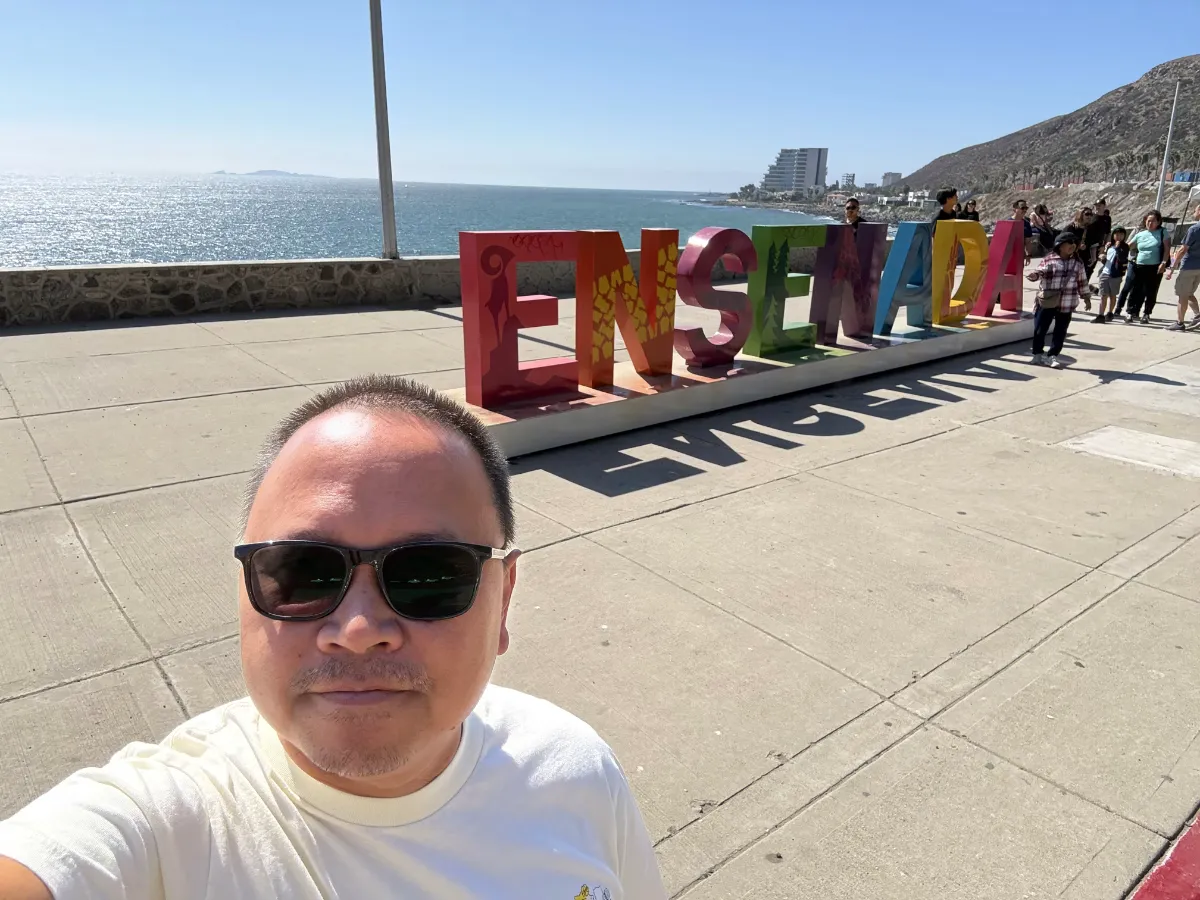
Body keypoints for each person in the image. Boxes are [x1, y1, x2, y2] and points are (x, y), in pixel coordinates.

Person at [0, 376, 668, 900]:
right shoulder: (168, 827)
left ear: (504, 601)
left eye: (430, 575)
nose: (357, 631)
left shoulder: (575, 769)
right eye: (301, 573)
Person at [1027, 231, 1089, 368]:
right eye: (1069, 243)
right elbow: (1040, 272)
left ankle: (1052, 356)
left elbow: (1082, 282)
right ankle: (1037, 354)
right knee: (1039, 329)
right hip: (1048, 301)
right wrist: (1034, 275)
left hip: (1067, 302)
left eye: (1074, 244)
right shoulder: (1050, 260)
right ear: (1060, 246)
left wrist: (1086, 297)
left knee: (1060, 331)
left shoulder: (1077, 263)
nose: (1072, 246)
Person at [1124, 209, 1172, 324]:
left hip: (1155, 267)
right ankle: (1130, 312)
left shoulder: (1162, 232)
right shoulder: (1140, 234)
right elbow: (1129, 246)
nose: (1150, 223)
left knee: (1151, 291)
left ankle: (1146, 313)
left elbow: (1167, 249)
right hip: (1139, 265)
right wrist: (1116, 244)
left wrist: (1163, 263)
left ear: (1159, 222)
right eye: (1148, 221)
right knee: (1135, 290)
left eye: (1153, 221)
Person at [1163, 202, 1200, 331]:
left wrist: (1172, 268)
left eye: (1195, 210)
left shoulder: (1194, 229)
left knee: (1182, 295)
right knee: (1189, 293)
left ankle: (1180, 322)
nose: (1193, 213)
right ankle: (1198, 315)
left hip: (1189, 266)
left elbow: (1183, 249)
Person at [1093, 226, 1129, 323]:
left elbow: (1122, 258)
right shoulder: (1109, 246)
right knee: (1103, 295)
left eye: (1121, 235)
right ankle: (1100, 315)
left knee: (1112, 295)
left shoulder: (1125, 247)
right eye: (1117, 234)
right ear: (1113, 235)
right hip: (1105, 272)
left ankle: (1110, 313)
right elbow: (1105, 257)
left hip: (1116, 275)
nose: (1119, 237)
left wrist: (1118, 248)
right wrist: (1102, 257)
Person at [1061, 208, 1093, 311]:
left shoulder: (1090, 228)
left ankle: (1074, 303)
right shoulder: (1071, 228)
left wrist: (1093, 257)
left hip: (1083, 259)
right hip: (1071, 258)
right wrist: (1077, 246)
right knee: (1068, 282)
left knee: (1081, 282)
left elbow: (1095, 242)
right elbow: (1062, 241)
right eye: (1087, 214)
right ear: (1080, 215)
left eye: (1090, 214)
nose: (1089, 216)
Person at [1083, 200, 1110, 282]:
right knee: (1084, 267)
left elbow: (1107, 233)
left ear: (1104, 206)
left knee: (1091, 267)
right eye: (1096, 205)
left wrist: (1104, 246)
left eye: (1099, 205)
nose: (1097, 207)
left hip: (1098, 246)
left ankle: (1085, 285)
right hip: (1086, 246)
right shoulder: (1091, 216)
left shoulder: (1107, 219)